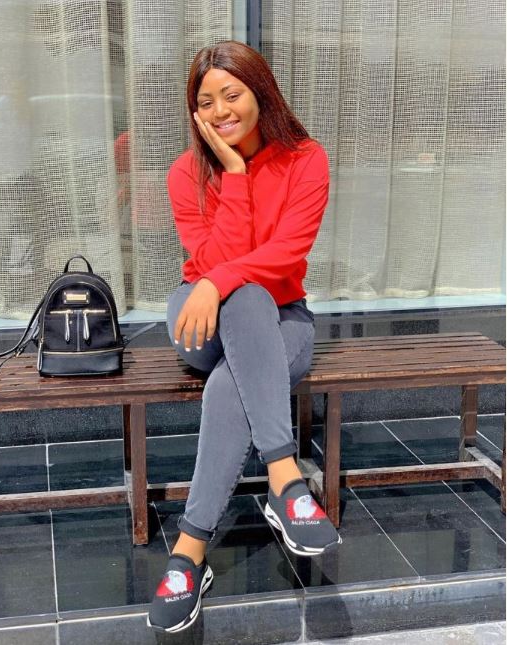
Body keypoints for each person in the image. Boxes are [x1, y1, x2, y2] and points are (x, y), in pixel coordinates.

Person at [148, 40, 341, 635]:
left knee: (232, 376)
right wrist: (232, 174)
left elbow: (287, 255)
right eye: (206, 101)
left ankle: (188, 552)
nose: (220, 110)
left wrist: (220, 280)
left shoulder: (305, 159)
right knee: (243, 295)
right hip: (198, 318)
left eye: (231, 94)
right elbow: (211, 263)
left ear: (261, 92)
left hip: (282, 317)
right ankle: (285, 478)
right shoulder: (186, 174)